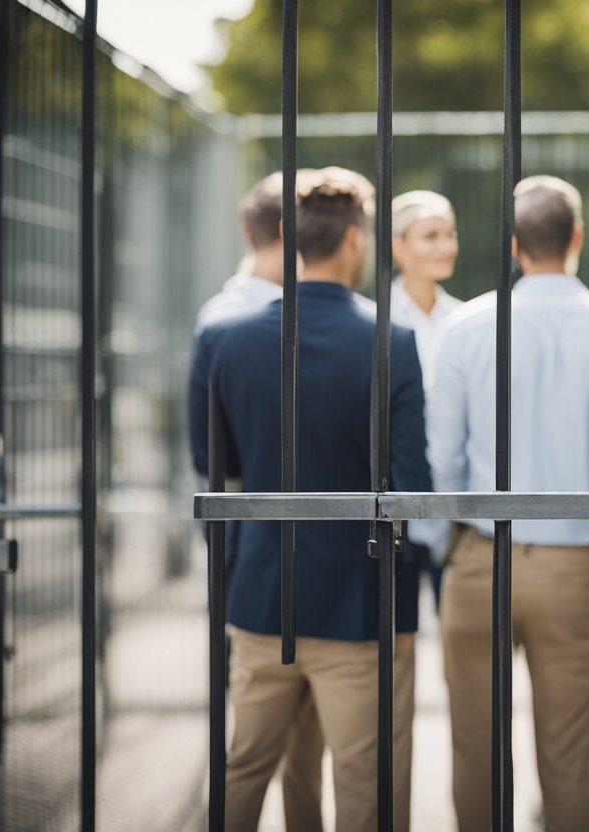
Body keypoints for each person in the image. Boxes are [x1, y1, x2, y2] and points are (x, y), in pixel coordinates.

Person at [189, 167, 430, 832]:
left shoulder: (224, 339)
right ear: (356, 238)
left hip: (263, 594)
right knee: (363, 781)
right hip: (359, 600)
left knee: (243, 769)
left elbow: (214, 464)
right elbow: (409, 485)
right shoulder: (393, 343)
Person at [429, 175, 589, 832]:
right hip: (576, 566)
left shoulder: (466, 327)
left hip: (481, 559)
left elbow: (444, 456)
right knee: (571, 752)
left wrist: (448, 540)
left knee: (476, 748)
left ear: (512, 243)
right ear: (578, 237)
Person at [187, 171, 325, 832]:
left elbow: (208, 454)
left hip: (266, 543)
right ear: (283, 236)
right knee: (260, 737)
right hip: (263, 548)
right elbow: (214, 455)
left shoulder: (226, 315)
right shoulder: (237, 321)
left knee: (297, 737)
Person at [390, 190, 463, 606]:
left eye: (450, 234)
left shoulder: (466, 322)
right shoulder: (376, 319)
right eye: (430, 235)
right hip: (397, 501)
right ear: (399, 247)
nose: (445, 245)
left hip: (455, 504)